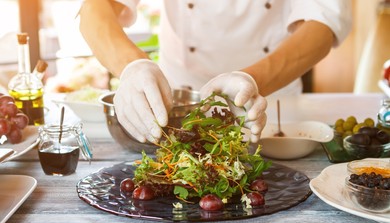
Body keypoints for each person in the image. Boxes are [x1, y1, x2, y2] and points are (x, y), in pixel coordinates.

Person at [79, 0, 352, 143]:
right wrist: (133, 66)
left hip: (267, 105)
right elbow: (94, 7)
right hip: (177, 104)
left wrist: (250, 81)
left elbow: (323, 22)